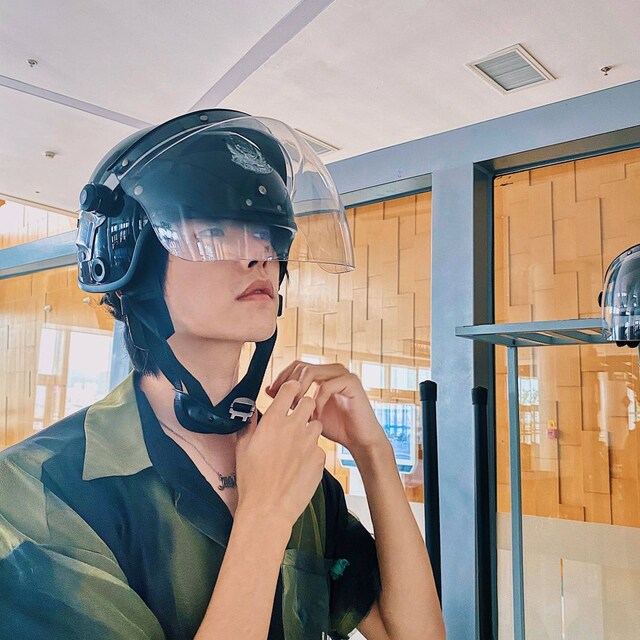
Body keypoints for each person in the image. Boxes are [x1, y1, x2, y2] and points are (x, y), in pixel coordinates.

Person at [0, 109, 445, 640]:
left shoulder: (291, 459)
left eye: (267, 235)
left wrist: (374, 454)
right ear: (131, 266)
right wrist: (264, 516)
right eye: (213, 231)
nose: (259, 256)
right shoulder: (38, 488)